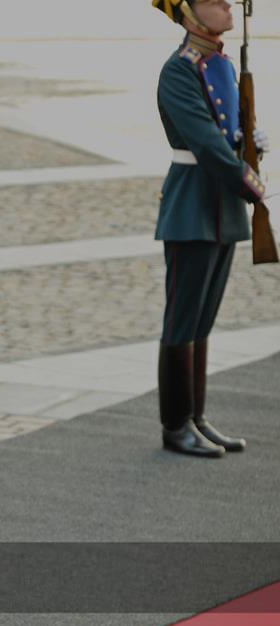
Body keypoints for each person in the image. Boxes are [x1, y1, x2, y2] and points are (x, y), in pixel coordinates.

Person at [152, 0, 268, 457]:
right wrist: (250, 182)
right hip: (192, 205)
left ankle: (196, 418)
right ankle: (175, 424)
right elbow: (204, 142)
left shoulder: (221, 63)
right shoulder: (179, 70)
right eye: (215, 1)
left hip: (223, 205)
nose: (227, 6)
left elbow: (228, 135)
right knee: (182, 320)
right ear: (189, 13)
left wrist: (252, 144)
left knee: (202, 320)